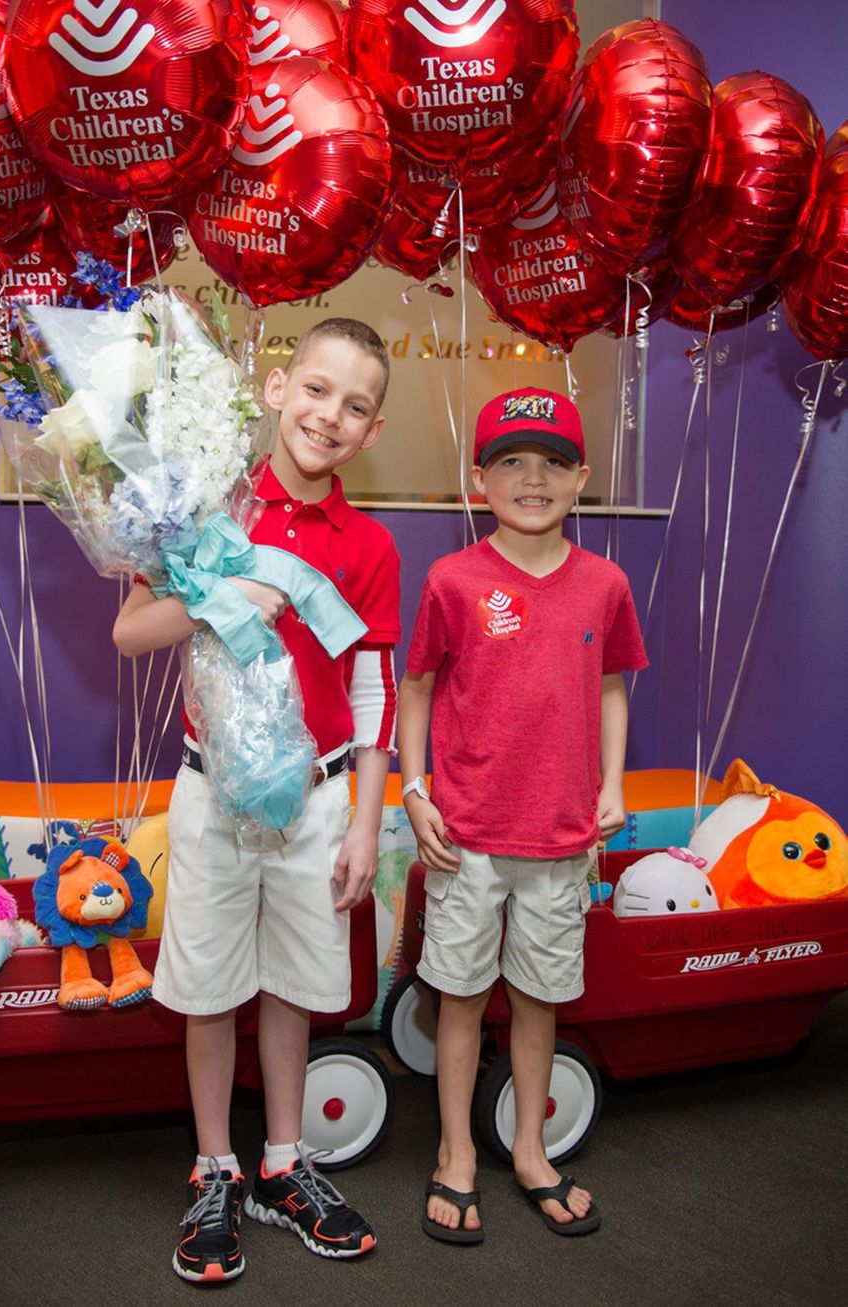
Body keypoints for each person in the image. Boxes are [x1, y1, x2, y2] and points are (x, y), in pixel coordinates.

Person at [113, 319, 401, 1283]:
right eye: (317, 390)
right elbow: (129, 634)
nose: (330, 414)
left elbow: (374, 689)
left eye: (355, 406)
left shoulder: (369, 544)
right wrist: (217, 591)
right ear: (277, 389)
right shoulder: (202, 505)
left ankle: (284, 1160)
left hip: (316, 803)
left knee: (289, 988)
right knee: (206, 992)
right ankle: (214, 1166)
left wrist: (365, 817)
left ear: (370, 433)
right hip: (211, 794)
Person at [397, 386, 647, 1244]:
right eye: (511, 461)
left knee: (539, 999)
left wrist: (613, 781)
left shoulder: (605, 583)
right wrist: (414, 786)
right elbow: (418, 685)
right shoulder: (452, 579)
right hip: (467, 834)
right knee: (460, 996)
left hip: (561, 835)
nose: (531, 478)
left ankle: (532, 1149)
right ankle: (456, 1151)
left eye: (552, 462)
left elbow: (613, 684)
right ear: (480, 479)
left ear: (582, 478)